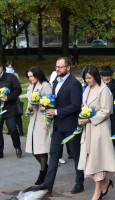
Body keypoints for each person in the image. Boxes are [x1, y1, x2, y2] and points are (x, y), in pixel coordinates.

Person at [27, 57, 84, 194]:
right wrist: (48, 112)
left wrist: (56, 111)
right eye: (56, 66)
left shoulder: (74, 83)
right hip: (57, 126)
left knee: (76, 155)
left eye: (60, 67)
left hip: (71, 126)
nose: (57, 69)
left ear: (68, 68)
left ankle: (79, 183)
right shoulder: (55, 82)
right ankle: (48, 184)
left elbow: (75, 106)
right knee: (53, 155)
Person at [78, 66, 115, 200]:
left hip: (99, 129)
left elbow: (107, 110)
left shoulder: (104, 90)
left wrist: (90, 118)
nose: (87, 81)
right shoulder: (87, 89)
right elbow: (85, 105)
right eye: (85, 78)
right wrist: (82, 115)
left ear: (96, 76)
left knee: (98, 159)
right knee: (92, 159)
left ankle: (97, 192)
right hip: (88, 129)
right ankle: (105, 182)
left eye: (89, 78)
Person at [25, 66, 52, 185]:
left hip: (43, 120)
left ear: (38, 75)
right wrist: (28, 109)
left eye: (32, 76)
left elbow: (50, 103)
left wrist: (39, 107)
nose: (30, 78)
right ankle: (46, 168)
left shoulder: (46, 86)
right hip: (33, 120)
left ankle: (42, 173)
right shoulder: (31, 86)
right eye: (29, 76)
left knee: (41, 148)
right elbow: (30, 102)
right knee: (34, 149)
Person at [49, 70, 72, 164]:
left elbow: (74, 105)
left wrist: (57, 111)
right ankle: (49, 178)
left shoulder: (72, 83)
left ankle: (79, 177)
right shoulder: (54, 84)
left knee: (74, 150)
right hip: (57, 123)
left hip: (68, 120)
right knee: (54, 152)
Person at [5, 60, 24, 136]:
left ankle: (20, 130)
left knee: (17, 115)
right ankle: (10, 129)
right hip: (6, 97)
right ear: (6, 67)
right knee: (7, 114)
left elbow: (18, 86)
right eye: (9, 67)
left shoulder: (15, 74)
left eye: (11, 67)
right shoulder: (4, 74)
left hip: (15, 97)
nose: (10, 68)